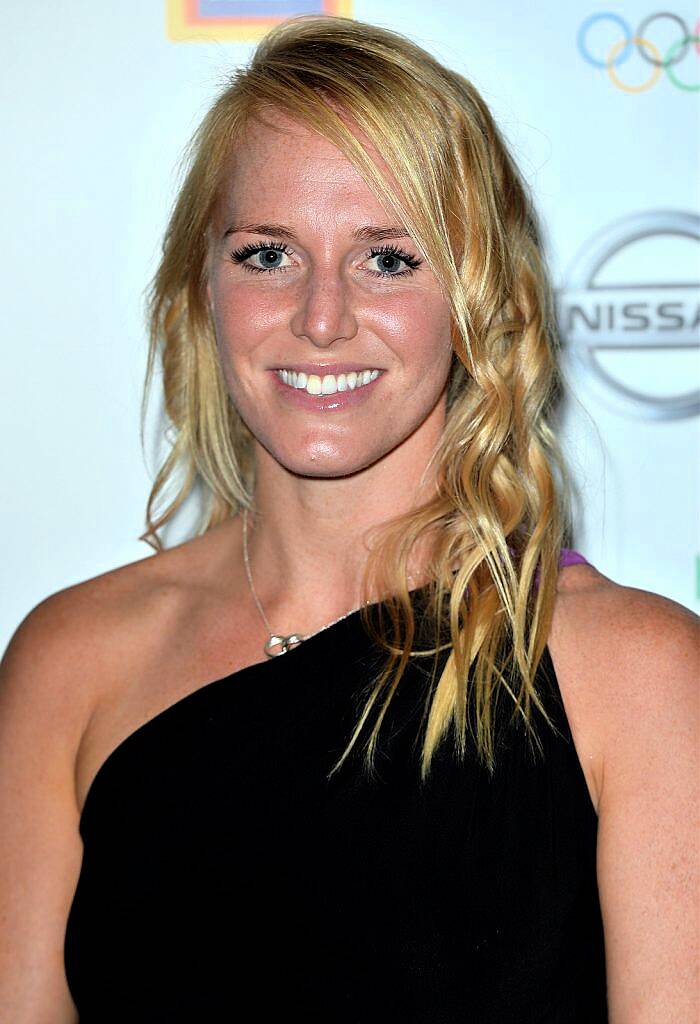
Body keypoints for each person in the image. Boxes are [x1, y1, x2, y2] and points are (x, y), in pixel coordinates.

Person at [1, 13, 698, 1023]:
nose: (320, 317)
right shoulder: (71, 661)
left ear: (479, 294)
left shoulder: (639, 677)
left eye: (388, 259)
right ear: (201, 287)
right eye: (267, 253)